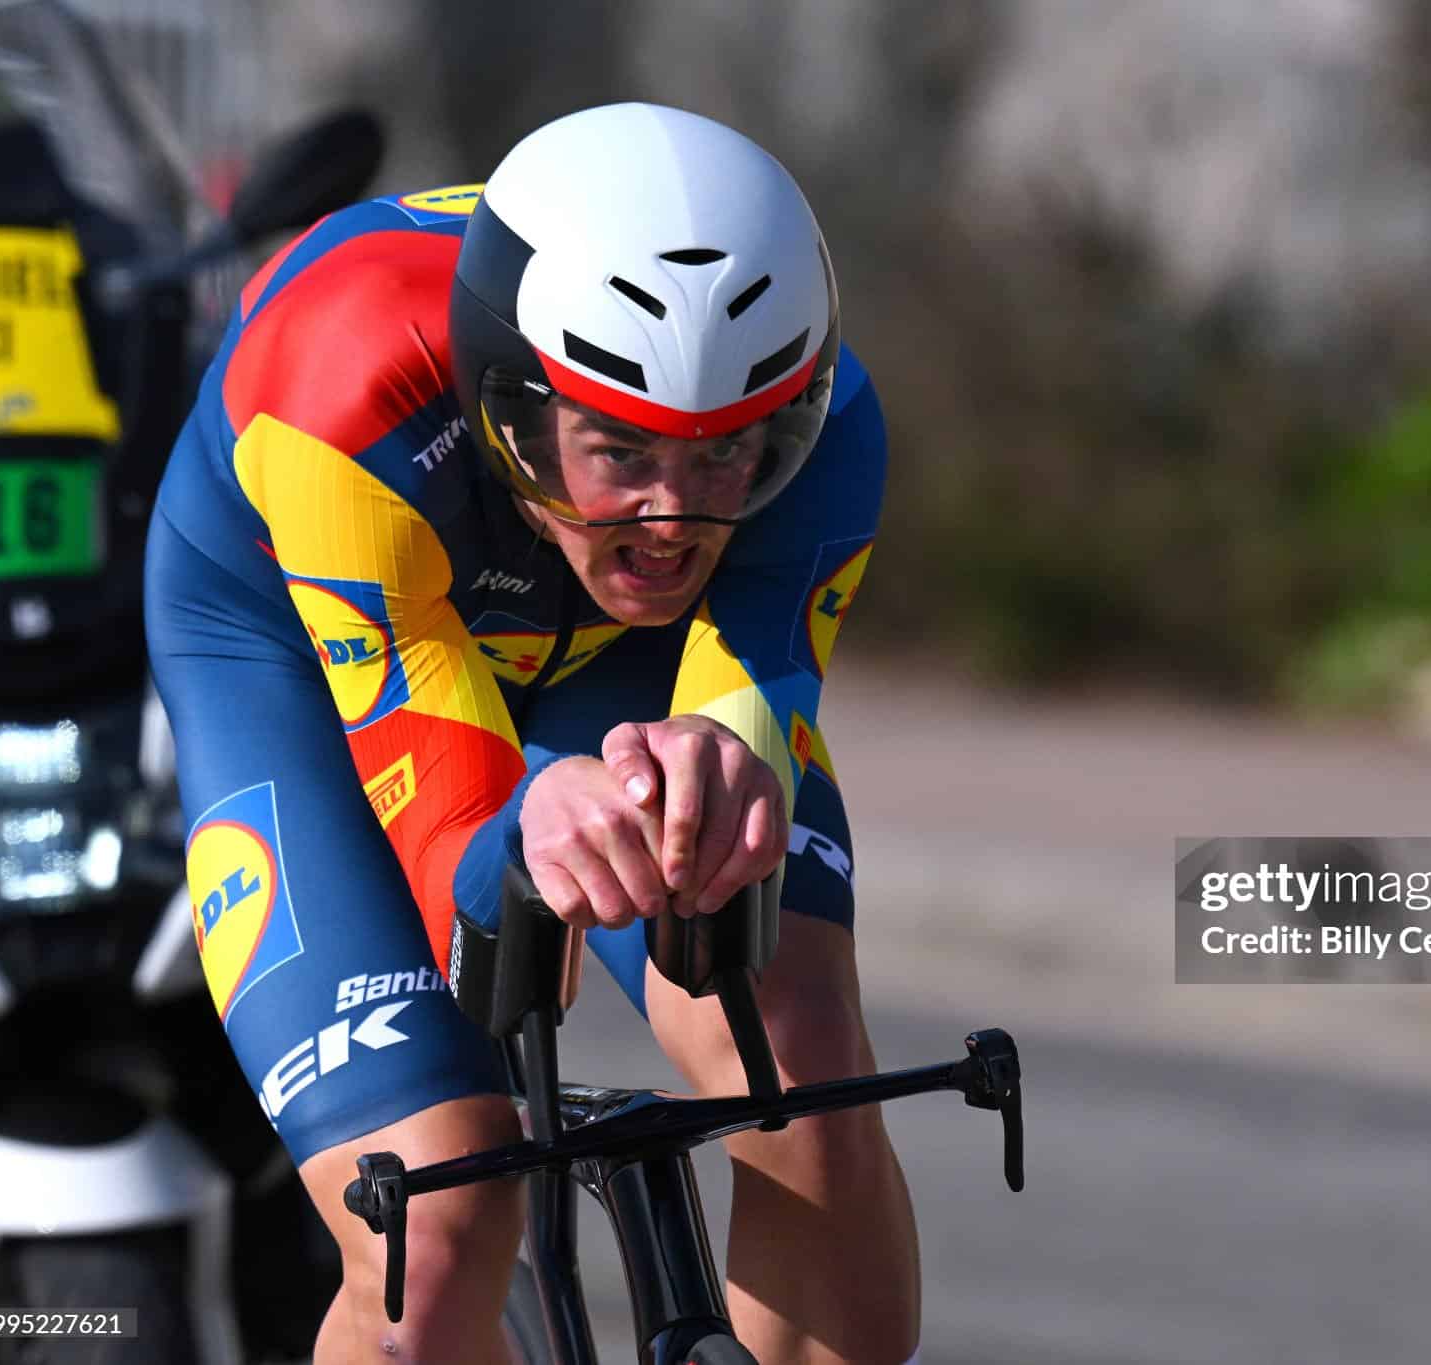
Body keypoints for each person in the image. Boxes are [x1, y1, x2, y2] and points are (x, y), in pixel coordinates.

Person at [145, 103, 917, 1365]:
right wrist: (517, 837)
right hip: (301, 651)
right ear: (511, 408)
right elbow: (457, 840)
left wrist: (723, 770)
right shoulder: (341, 387)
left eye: (727, 457)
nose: (670, 521)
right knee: (434, 1212)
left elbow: (746, 707)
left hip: (609, 663)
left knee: (800, 1066)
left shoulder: (826, 423)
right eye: (619, 450)